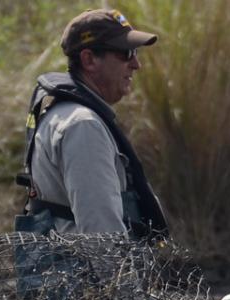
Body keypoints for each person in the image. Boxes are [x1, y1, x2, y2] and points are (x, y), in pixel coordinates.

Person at [15, 8, 170, 242]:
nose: (136, 64)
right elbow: (101, 233)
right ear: (89, 60)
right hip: (85, 276)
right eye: (125, 53)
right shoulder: (83, 126)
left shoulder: (66, 114)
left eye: (135, 52)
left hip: (67, 273)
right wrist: (121, 280)